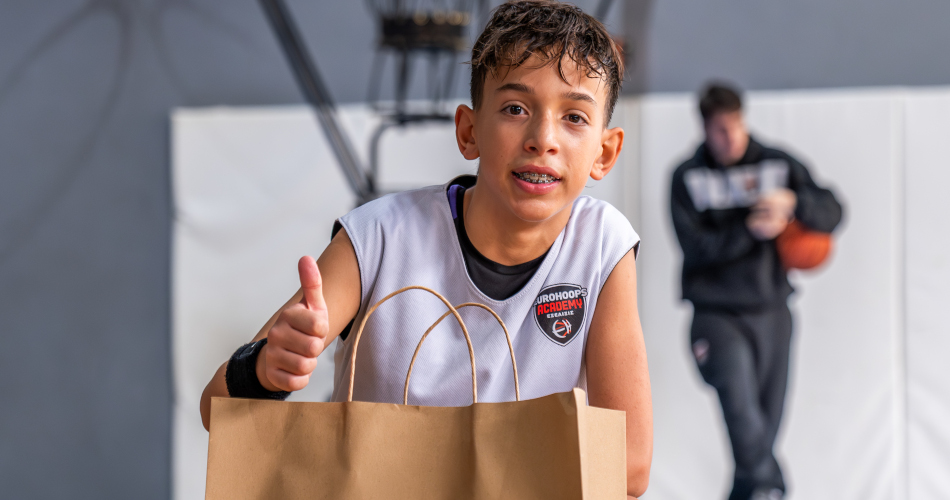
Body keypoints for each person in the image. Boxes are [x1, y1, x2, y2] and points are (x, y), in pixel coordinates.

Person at [200, 2, 653, 497]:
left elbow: (630, 464)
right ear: (469, 131)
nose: (542, 139)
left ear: (605, 152)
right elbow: (216, 409)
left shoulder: (603, 245)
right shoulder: (376, 237)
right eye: (515, 109)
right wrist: (266, 369)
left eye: (574, 117)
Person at [670, 82, 843, 500]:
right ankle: (772, 488)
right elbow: (696, 247)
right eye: (720, 130)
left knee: (764, 428)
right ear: (705, 129)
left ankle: (751, 490)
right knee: (743, 414)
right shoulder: (687, 177)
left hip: (772, 311)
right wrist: (750, 228)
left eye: (736, 126)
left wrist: (793, 204)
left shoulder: (777, 164)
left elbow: (834, 210)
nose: (730, 137)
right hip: (716, 315)